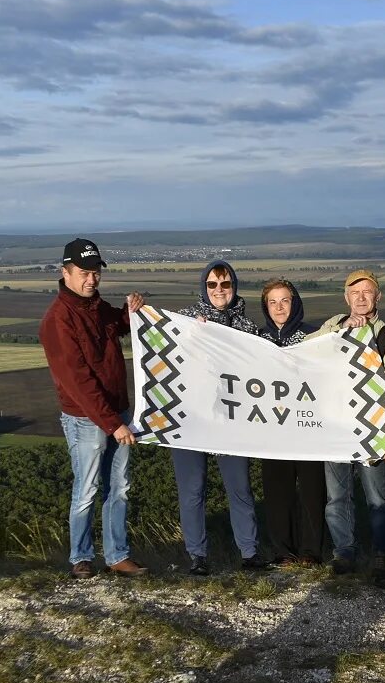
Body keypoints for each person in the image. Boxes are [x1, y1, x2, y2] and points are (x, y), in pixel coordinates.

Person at [38, 238, 147, 579]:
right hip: (87, 418)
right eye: (84, 273)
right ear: (65, 272)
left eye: (96, 272)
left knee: (120, 487)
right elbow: (78, 380)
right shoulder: (58, 320)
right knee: (86, 489)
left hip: (117, 413)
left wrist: (132, 313)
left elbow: (118, 324)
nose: (91, 279)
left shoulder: (96, 307)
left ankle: (117, 556)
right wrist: (113, 424)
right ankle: (80, 557)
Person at [171, 260, 261, 576]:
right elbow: (155, 337)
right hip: (190, 421)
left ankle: (249, 554)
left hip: (231, 424)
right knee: (192, 490)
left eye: (225, 284)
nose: (219, 290)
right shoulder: (183, 321)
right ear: (203, 288)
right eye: (212, 284)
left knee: (239, 489)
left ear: (234, 287)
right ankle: (198, 555)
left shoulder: (248, 329)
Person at [311, 269, 385, 574]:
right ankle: (344, 552)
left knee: (377, 496)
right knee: (336, 496)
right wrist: (338, 332)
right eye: (355, 292)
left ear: (378, 296)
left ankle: (383, 552)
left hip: (372, 426)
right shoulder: (333, 325)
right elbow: (304, 350)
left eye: (367, 292)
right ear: (346, 297)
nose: (361, 298)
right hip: (336, 426)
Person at [256, 278, 326, 566]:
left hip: (308, 428)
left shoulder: (315, 338)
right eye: (272, 302)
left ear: (295, 303)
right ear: (265, 306)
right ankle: (283, 551)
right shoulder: (256, 341)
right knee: (277, 493)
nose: (279, 307)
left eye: (285, 300)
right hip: (272, 431)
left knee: (312, 492)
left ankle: (311, 551)